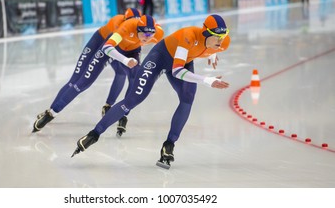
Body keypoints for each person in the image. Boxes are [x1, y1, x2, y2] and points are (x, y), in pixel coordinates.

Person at [71, 14, 230, 169]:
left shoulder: (223, 42)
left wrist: (213, 51)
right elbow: (177, 71)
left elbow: (211, 45)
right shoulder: (189, 35)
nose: (221, 40)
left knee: (187, 98)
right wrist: (207, 80)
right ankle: (94, 134)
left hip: (184, 62)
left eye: (224, 36)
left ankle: (169, 145)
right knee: (134, 99)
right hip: (161, 58)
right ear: (206, 33)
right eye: (217, 36)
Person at [32, 13, 164, 133]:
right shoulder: (125, 26)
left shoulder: (157, 33)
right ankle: (51, 113)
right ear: (136, 29)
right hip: (110, 46)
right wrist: (124, 60)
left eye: (150, 35)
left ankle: (122, 114)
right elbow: (107, 47)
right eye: (144, 35)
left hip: (132, 50)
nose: (147, 38)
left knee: (134, 78)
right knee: (82, 83)